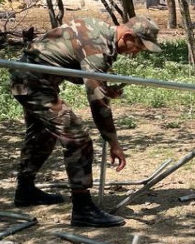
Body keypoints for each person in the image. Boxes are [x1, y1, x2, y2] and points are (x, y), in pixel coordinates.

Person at [10, 15, 162, 227]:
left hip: (30, 78)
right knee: (77, 138)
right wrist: (113, 142)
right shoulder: (97, 46)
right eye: (138, 46)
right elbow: (98, 103)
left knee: (42, 135)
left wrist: (104, 89)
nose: (136, 53)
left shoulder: (101, 34)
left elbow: (81, 72)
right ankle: (83, 209)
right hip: (32, 82)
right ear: (127, 36)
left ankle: (25, 191)